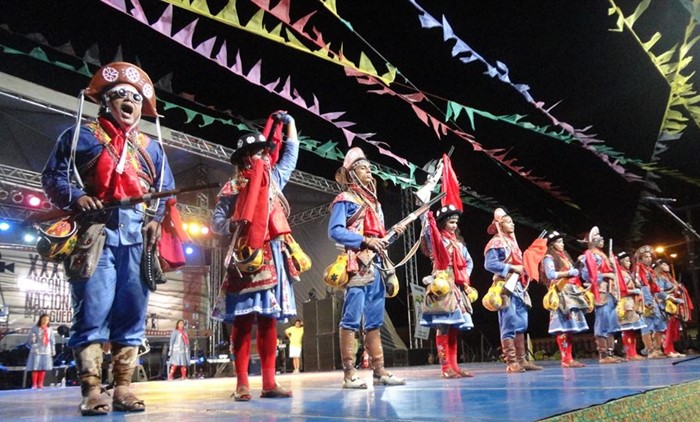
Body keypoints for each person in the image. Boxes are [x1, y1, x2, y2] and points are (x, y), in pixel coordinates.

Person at [41, 62, 175, 415]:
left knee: (132, 311)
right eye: (121, 95)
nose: (129, 101)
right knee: (93, 310)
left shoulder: (152, 147)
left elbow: (165, 189)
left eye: (136, 97)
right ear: (106, 101)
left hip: (137, 236)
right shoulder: (80, 136)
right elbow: (53, 177)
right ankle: (91, 389)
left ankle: (124, 387)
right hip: (95, 235)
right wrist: (76, 197)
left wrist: (155, 219)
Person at [211, 111, 298, 401]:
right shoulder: (233, 187)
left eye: (265, 151)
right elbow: (216, 222)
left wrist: (290, 125)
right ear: (245, 158)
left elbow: (291, 155)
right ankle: (242, 384)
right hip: (245, 256)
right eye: (258, 152)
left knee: (269, 320)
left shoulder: (274, 179)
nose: (264, 156)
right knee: (242, 320)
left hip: (272, 255)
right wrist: (233, 224)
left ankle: (270, 383)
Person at [328, 147, 407, 389]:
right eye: (363, 167)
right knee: (351, 319)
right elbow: (335, 231)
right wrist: (365, 240)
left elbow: (379, 237)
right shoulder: (345, 199)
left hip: (377, 264)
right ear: (352, 173)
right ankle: (349, 373)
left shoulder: (375, 205)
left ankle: (379, 371)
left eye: (369, 168)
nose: (369, 171)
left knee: (374, 320)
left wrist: (393, 234)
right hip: (357, 263)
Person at [419, 204, 475, 378]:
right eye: (451, 222)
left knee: (454, 328)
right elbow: (428, 232)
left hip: (456, 286)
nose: (454, 225)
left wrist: (464, 277)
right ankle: (445, 368)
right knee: (443, 326)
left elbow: (468, 261)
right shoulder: (438, 240)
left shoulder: (458, 244)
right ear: (443, 223)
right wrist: (424, 214)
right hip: (442, 285)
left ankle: (454, 366)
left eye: (456, 222)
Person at [484, 208, 542, 373]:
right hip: (505, 286)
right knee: (508, 322)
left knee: (521, 323)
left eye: (512, 221)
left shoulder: (513, 243)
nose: (512, 224)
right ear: (500, 225)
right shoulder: (496, 243)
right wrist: (511, 268)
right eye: (508, 222)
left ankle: (522, 359)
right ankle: (511, 361)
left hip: (518, 286)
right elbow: (489, 264)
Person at [540, 231, 588, 368]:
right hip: (560, 292)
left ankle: (569, 358)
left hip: (570, 292)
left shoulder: (564, 257)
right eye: (559, 242)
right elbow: (551, 274)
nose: (562, 244)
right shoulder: (549, 257)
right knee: (562, 327)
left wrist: (579, 263)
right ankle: (565, 359)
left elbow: (574, 273)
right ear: (552, 244)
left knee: (569, 328)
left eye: (562, 242)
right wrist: (568, 273)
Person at [578, 227, 623, 364]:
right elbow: (586, 275)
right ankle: (603, 354)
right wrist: (605, 275)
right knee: (602, 321)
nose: (602, 240)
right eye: (599, 239)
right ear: (593, 241)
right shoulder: (590, 256)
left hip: (610, 291)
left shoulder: (603, 256)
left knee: (611, 322)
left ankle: (611, 352)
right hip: (601, 291)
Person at [633, 245, 667, 358]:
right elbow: (638, 284)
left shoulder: (650, 270)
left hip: (653, 298)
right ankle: (650, 350)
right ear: (641, 259)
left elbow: (654, 287)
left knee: (659, 323)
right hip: (644, 298)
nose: (649, 259)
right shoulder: (638, 268)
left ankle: (658, 348)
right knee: (646, 324)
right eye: (646, 257)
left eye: (650, 257)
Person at [616, 251, 646, 360]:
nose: (629, 263)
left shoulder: (627, 273)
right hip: (625, 302)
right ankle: (630, 353)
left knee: (632, 330)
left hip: (632, 302)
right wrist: (634, 291)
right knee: (627, 329)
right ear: (621, 262)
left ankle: (633, 352)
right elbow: (620, 290)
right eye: (627, 261)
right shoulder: (621, 274)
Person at [653, 259, 686, 358]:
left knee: (672, 328)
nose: (667, 266)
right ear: (659, 267)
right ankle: (667, 349)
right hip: (665, 305)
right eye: (664, 264)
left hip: (672, 304)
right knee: (667, 328)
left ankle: (672, 349)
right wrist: (672, 294)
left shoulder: (669, 277)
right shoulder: (659, 278)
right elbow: (658, 292)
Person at [26, 314, 55, 389]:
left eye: (47, 320)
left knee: (43, 367)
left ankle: (40, 384)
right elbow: (30, 340)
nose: (45, 321)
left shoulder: (49, 329)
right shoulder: (35, 328)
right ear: (41, 319)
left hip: (46, 350)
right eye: (44, 319)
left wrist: (53, 349)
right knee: (36, 367)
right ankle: (34, 384)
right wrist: (33, 342)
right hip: (37, 350)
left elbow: (52, 340)